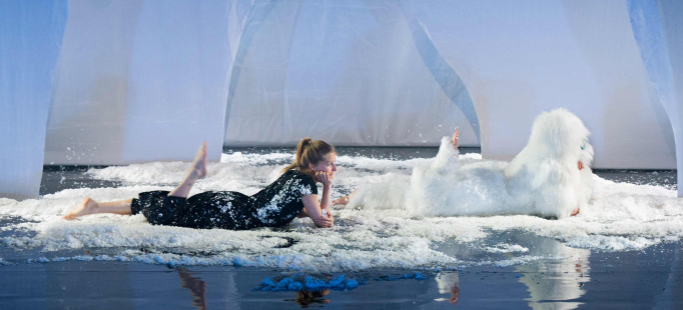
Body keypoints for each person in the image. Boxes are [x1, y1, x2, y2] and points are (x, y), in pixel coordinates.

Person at [335, 108, 594, 219]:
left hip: (490, 183)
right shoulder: (554, 168)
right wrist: (576, 184)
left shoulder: (534, 154)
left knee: (412, 191)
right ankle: (352, 198)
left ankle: (352, 197)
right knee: (426, 195)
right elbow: (557, 208)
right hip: (490, 192)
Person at [63, 138, 337, 229]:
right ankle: (192, 176)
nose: (333, 169)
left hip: (233, 203)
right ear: (314, 166)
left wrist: (320, 197)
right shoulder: (306, 183)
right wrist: (327, 188)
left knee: (162, 205)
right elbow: (322, 221)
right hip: (235, 213)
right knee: (168, 215)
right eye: (330, 164)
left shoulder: (293, 174)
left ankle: (94, 207)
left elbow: (297, 211)